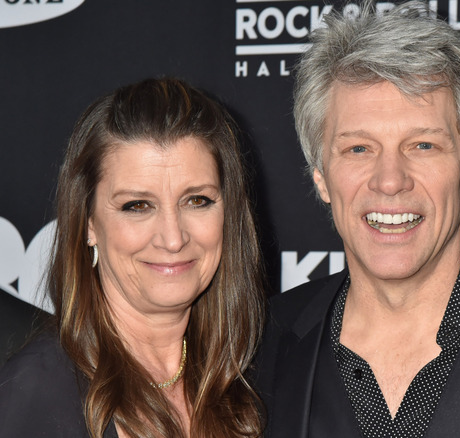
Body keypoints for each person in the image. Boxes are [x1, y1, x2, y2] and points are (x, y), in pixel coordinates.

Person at [254, 2, 460, 437]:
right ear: (321, 178)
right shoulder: (261, 347)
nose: (390, 180)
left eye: (423, 146)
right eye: (358, 149)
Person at [0, 78, 265, 437]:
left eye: (197, 200)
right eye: (137, 206)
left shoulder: (253, 377)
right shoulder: (39, 389)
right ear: (89, 223)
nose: (173, 238)